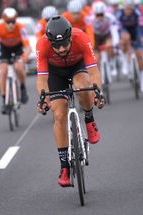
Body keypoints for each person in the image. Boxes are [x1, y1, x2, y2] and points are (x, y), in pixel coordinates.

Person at [36, 15, 105, 187]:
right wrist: (43, 98)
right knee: (59, 114)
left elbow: (94, 73)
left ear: (70, 38)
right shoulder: (42, 44)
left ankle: (89, 119)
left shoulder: (81, 37)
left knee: (82, 85)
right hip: (55, 74)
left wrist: (98, 93)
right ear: (49, 41)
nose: (60, 49)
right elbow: (42, 80)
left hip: (77, 67)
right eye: (56, 46)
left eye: (64, 44)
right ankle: (64, 166)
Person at [0, 7, 31, 114]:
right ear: (4, 21)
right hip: (5, 49)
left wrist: (26, 55)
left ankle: (22, 87)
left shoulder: (21, 28)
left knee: (18, 67)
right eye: (8, 22)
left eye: (13, 22)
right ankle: (4, 100)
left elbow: (27, 46)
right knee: (3, 71)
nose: (11, 25)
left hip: (18, 48)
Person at [117, 0, 143, 92]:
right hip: (125, 32)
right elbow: (118, 28)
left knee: (140, 56)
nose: (128, 11)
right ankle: (126, 63)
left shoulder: (137, 14)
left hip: (136, 32)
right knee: (124, 40)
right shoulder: (120, 14)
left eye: (130, 9)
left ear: (132, 9)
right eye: (126, 9)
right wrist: (120, 39)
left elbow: (141, 27)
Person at [91, 1, 120, 76]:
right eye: (97, 15)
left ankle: (112, 64)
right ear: (94, 14)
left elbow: (114, 31)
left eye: (101, 14)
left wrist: (115, 43)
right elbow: (89, 33)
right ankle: (100, 74)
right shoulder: (90, 19)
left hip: (107, 35)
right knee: (96, 59)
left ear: (104, 13)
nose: (100, 17)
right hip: (96, 37)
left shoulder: (110, 17)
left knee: (110, 47)